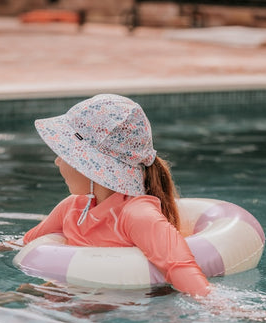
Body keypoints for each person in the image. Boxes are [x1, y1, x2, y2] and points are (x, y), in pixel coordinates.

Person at [23, 94, 211, 297]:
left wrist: (229, 309)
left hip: (123, 307)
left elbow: (181, 266)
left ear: (92, 167)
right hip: (76, 297)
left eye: (66, 154)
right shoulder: (71, 208)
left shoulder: (137, 215)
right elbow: (26, 242)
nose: (57, 162)